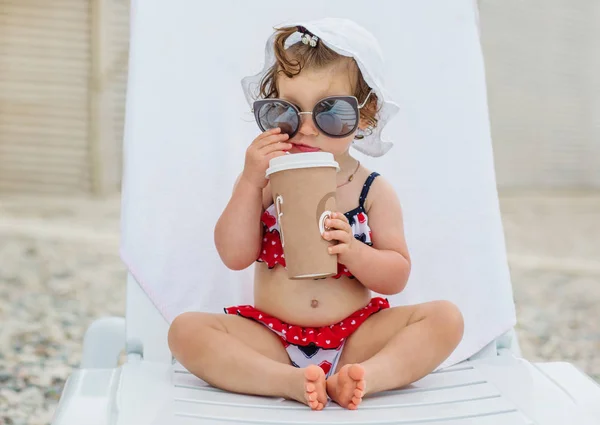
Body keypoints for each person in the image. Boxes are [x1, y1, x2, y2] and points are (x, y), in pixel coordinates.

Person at [168, 18, 464, 411]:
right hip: (272, 339)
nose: (305, 129)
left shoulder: (371, 190)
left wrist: (354, 252)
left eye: (330, 113)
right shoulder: (269, 182)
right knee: (185, 331)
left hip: (356, 338)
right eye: (286, 113)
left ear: (365, 114)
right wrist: (249, 183)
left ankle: (365, 377)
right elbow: (234, 255)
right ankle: (287, 381)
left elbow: (396, 275)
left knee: (446, 319)